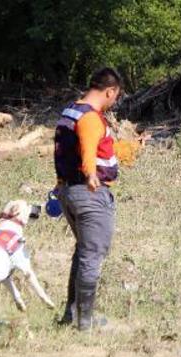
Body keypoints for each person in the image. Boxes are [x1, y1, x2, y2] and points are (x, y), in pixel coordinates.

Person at [53, 67, 122, 331]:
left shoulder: (71, 110)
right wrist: (92, 174)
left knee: (83, 252)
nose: (114, 101)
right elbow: (88, 147)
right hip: (89, 193)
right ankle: (85, 321)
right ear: (109, 91)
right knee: (92, 255)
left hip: (69, 191)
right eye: (115, 96)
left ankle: (72, 315)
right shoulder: (91, 118)